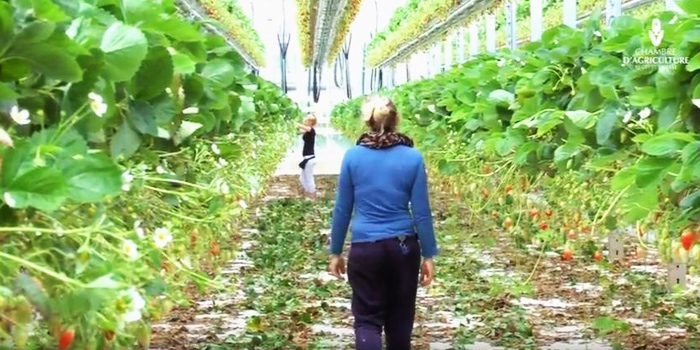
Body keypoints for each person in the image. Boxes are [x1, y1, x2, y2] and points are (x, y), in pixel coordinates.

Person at [328, 96, 438, 350]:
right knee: (400, 321)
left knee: (367, 319)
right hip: (403, 248)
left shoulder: (353, 157)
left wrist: (335, 251)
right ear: (396, 120)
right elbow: (421, 212)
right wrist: (429, 254)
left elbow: (343, 209)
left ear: (367, 121)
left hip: (366, 248)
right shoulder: (413, 157)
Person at [298, 113, 317, 198]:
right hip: (307, 159)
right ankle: (308, 193)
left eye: (308, 120)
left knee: (309, 178)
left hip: (309, 159)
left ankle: (312, 194)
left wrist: (294, 123)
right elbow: (299, 131)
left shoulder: (311, 130)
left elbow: (303, 128)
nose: (306, 121)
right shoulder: (307, 131)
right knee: (302, 179)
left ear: (311, 122)